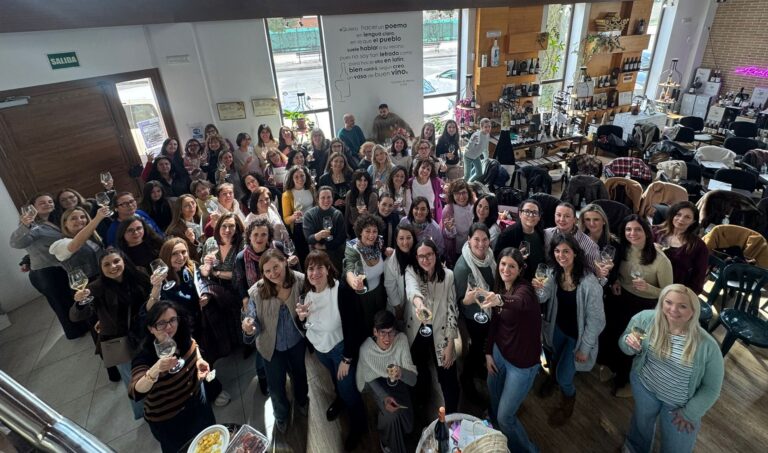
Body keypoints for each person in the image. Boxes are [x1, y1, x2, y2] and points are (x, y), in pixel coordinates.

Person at [620, 284, 724, 453]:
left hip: (680, 404)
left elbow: (711, 388)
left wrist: (691, 412)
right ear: (661, 302)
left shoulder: (708, 346)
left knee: (677, 445)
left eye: (682, 306)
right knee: (641, 424)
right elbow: (624, 343)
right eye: (668, 302)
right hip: (645, 387)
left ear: (693, 311)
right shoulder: (645, 319)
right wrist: (629, 344)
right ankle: (634, 448)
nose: (673, 309)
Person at [297, 250, 367, 450]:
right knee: (336, 382)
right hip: (321, 349)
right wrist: (301, 319)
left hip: (341, 349)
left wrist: (347, 358)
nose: (315, 273)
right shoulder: (306, 293)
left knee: (349, 390)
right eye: (311, 268)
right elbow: (303, 326)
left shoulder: (341, 291)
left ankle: (359, 425)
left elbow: (356, 326)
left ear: (328, 269)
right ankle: (340, 400)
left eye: (320, 267)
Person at [72, 247, 154, 419]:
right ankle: (144, 413)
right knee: (131, 379)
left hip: (143, 332)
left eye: (116, 261)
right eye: (106, 264)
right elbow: (75, 316)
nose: (113, 266)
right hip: (115, 341)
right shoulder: (96, 287)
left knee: (151, 370)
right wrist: (79, 303)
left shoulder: (138, 275)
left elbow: (151, 297)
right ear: (100, 268)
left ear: (124, 260)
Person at [533, 234, 605, 426]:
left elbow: (597, 321)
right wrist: (538, 288)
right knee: (554, 358)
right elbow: (542, 298)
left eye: (566, 251)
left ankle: (568, 401)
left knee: (565, 377)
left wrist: (585, 347)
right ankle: (552, 381)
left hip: (578, 337)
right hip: (558, 328)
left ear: (575, 253)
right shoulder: (553, 273)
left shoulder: (589, 283)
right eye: (557, 251)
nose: (561, 255)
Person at [601, 215, 674, 398]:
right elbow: (616, 271)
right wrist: (616, 280)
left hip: (644, 305)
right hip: (620, 297)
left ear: (647, 232)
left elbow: (669, 293)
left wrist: (648, 288)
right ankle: (612, 366)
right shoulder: (622, 249)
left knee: (631, 342)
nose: (632, 233)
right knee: (612, 333)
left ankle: (624, 377)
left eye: (637, 229)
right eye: (628, 230)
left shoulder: (661, 260)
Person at [129, 300, 216, 453]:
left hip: (197, 402)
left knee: (212, 441)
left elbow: (193, 345)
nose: (169, 327)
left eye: (172, 320)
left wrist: (199, 361)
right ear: (151, 328)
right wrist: (155, 370)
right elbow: (135, 390)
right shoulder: (145, 355)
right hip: (169, 419)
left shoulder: (181, 336)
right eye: (161, 324)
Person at [157, 238, 232, 407]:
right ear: (166, 256)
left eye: (183, 252)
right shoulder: (163, 281)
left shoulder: (190, 267)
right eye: (174, 253)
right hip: (183, 330)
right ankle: (213, 391)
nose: (180, 257)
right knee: (195, 361)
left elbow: (201, 284)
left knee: (207, 357)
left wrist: (205, 296)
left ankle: (211, 384)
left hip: (201, 323)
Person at [242, 249, 309, 434]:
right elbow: (251, 318)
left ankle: (302, 401)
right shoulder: (257, 291)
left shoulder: (301, 280)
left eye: (276, 267)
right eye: (267, 271)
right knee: (276, 385)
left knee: (300, 375)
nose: (273, 274)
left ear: (285, 262)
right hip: (270, 346)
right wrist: (249, 326)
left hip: (296, 342)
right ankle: (281, 415)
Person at [10, 193, 88, 339]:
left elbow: (41, 247)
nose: (48, 204)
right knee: (60, 304)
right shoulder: (31, 225)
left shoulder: (52, 220)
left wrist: (25, 259)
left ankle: (81, 326)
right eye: (42, 202)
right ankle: (74, 333)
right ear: (32, 207)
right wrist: (25, 224)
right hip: (46, 272)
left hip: (60, 268)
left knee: (69, 299)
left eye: (50, 201)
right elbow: (16, 243)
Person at [485, 247, 541, 453]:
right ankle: (497, 434)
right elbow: (495, 323)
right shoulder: (499, 286)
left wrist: (500, 300)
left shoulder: (525, 290)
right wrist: (488, 352)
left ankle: (527, 450)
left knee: (506, 417)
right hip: (499, 352)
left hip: (522, 364)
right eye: (503, 264)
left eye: (512, 266)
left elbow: (521, 303)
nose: (506, 269)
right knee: (493, 393)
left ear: (520, 270)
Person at [405, 239, 459, 413]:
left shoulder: (448, 275)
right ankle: (422, 398)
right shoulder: (411, 271)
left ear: (436, 254)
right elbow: (412, 290)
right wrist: (419, 304)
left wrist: (450, 343)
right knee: (419, 367)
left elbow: (452, 309)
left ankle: (451, 417)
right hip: (418, 330)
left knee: (449, 378)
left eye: (429, 255)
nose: (425, 260)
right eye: (421, 256)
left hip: (441, 332)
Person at [356, 310, 417, 453]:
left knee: (409, 426)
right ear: (375, 332)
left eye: (391, 332)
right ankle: (387, 442)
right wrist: (384, 397)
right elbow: (368, 379)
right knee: (392, 416)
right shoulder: (366, 349)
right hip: (378, 385)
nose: (387, 338)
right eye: (383, 333)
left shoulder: (401, 340)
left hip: (398, 382)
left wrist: (401, 372)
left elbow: (413, 380)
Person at [453, 223, 497, 399]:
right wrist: (467, 300)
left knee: (483, 344)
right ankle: (466, 378)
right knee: (478, 345)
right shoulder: (463, 267)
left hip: (488, 308)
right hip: (472, 315)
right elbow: (456, 301)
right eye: (476, 239)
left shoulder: (490, 257)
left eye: (485, 239)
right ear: (469, 240)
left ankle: (479, 367)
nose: (481, 244)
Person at [200, 213, 246, 361]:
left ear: (237, 228)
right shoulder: (210, 243)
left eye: (231, 226)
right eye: (224, 226)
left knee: (239, 319)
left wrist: (216, 272)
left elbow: (239, 274)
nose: (227, 230)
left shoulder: (242, 244)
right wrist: (206, 265)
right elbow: (204, 272)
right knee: (224, 320)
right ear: (218, 227)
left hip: (237, 289)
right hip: (217, 292)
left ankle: (245, 345)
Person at [343, 214, 389, 333]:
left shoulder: (378, 242)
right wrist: (353, 281)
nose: (371, 235)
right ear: (360, 232)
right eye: (367, 231)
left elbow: (383, 252)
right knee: (367, 326)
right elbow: (349, 267)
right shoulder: (352, 248)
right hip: (363, 296)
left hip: (380, 292)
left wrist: (387, 250)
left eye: (374, 231)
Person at [652, 201, 709, 295]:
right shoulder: (655, 232)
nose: (681, 219)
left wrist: (683, 296)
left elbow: (697, 281)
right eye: (678, 214)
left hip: (674, 292)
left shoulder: (699, 247)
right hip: (648, 285)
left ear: (693, 222)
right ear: (672, 215)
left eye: (687, 217)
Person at [544, 203, 605, 277]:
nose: (562, 219)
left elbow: (597, 274)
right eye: (558, 215)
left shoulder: (590, 246)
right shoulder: (546, 234)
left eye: (567, 216)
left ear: (574, 220)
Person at [50, 205, 109, 278]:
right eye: (73, 218)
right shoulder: (61, 243)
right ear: (65, 223)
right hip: (86, 285)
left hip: (105, 278)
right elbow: (75, 245)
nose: (79, 220)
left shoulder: (93, 238)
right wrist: (97, 218)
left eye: (82, 217)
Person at [494, 199, 546, 281]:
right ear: (520, 214)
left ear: (539, 217)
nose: (531, 215)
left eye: (535, 212)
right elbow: (498, 258)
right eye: (527, 211)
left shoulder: (540, 232)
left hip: (537, 280)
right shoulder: (508, 234)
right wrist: (516, 258)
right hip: (517, 282)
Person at [303, 186, 347, 273]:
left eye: (329, 197)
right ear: (317, 199)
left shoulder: (337, 214)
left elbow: (341, 238)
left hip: (335, 254)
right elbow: (309, 239)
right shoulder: (309, 215)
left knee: (335, 277)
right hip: (317, 255)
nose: (326, 200)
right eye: (323, 197)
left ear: (332, 198)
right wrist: (318, 235)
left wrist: (324, 246)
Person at [384, 224, 417, 324]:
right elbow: (390, 287)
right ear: (396, 240)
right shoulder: (390, 261)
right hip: (399, 304)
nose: (405, 242)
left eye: (408, 238)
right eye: (401, 238)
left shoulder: (418, 254)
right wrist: (398, 309)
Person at [282, 165, 315, 265]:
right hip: (299, 228)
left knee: (316, 251)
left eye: (302, 175)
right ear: (291, 178)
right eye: (296, 176)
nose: (300, 179)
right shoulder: (287, 195)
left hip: (313, 223)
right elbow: (286, 219)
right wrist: (294, 216)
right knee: (305, 256)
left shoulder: (311, 189)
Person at [441, 179, 475, 264]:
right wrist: (449, 230)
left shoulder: (474, 205)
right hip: (458, 248)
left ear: (468, 193)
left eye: (463, 192)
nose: (461, 197)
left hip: (473, 246)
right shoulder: (448, 210)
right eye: (457, 193)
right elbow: (448, 236)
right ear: (452, 195)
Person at [165, 194, 204, 261]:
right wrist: (191, 241)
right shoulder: (175, 231)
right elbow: (183, 256)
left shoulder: (198, 218)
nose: (191, 207)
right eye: (186, 205)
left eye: (193, 203)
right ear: (180, 210)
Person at [344, 170, 379, 238]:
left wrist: (366, 213)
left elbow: (374, 218)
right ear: (355, 181)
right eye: (360, 180)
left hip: (367, 231)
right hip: (352, 230)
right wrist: (345, 232)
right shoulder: (350, 194)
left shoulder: (373, 196)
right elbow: (347, 214)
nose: (363, 183)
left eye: (365, 180)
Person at [409, 159, 444, 224]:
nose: (425, 170)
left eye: (428, 169)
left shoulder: (436, 182)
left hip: (431, 215)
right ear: (418, 168)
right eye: (423, 167)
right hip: (416, 215)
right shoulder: (410, 182)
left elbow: (444, 197)